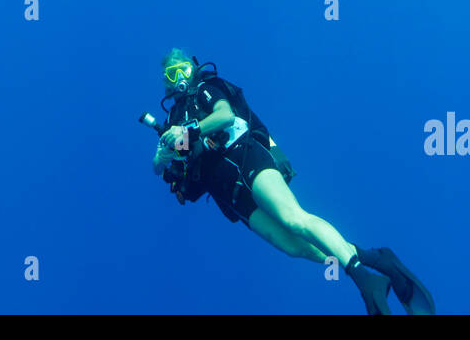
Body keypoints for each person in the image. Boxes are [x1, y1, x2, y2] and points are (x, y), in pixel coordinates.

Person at [149, 47, 436, 315]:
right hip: (230, 195)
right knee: (295, 246)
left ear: (193, 68)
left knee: (293, 218)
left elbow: (224, 116)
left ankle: (363, 278)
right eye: (170, 76)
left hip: (245, 157)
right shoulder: (176, 117)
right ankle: (380, 262)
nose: (178, 80)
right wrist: (161, 159)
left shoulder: (205, 90)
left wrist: (189, 128)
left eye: (182, 70)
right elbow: (188, 168)